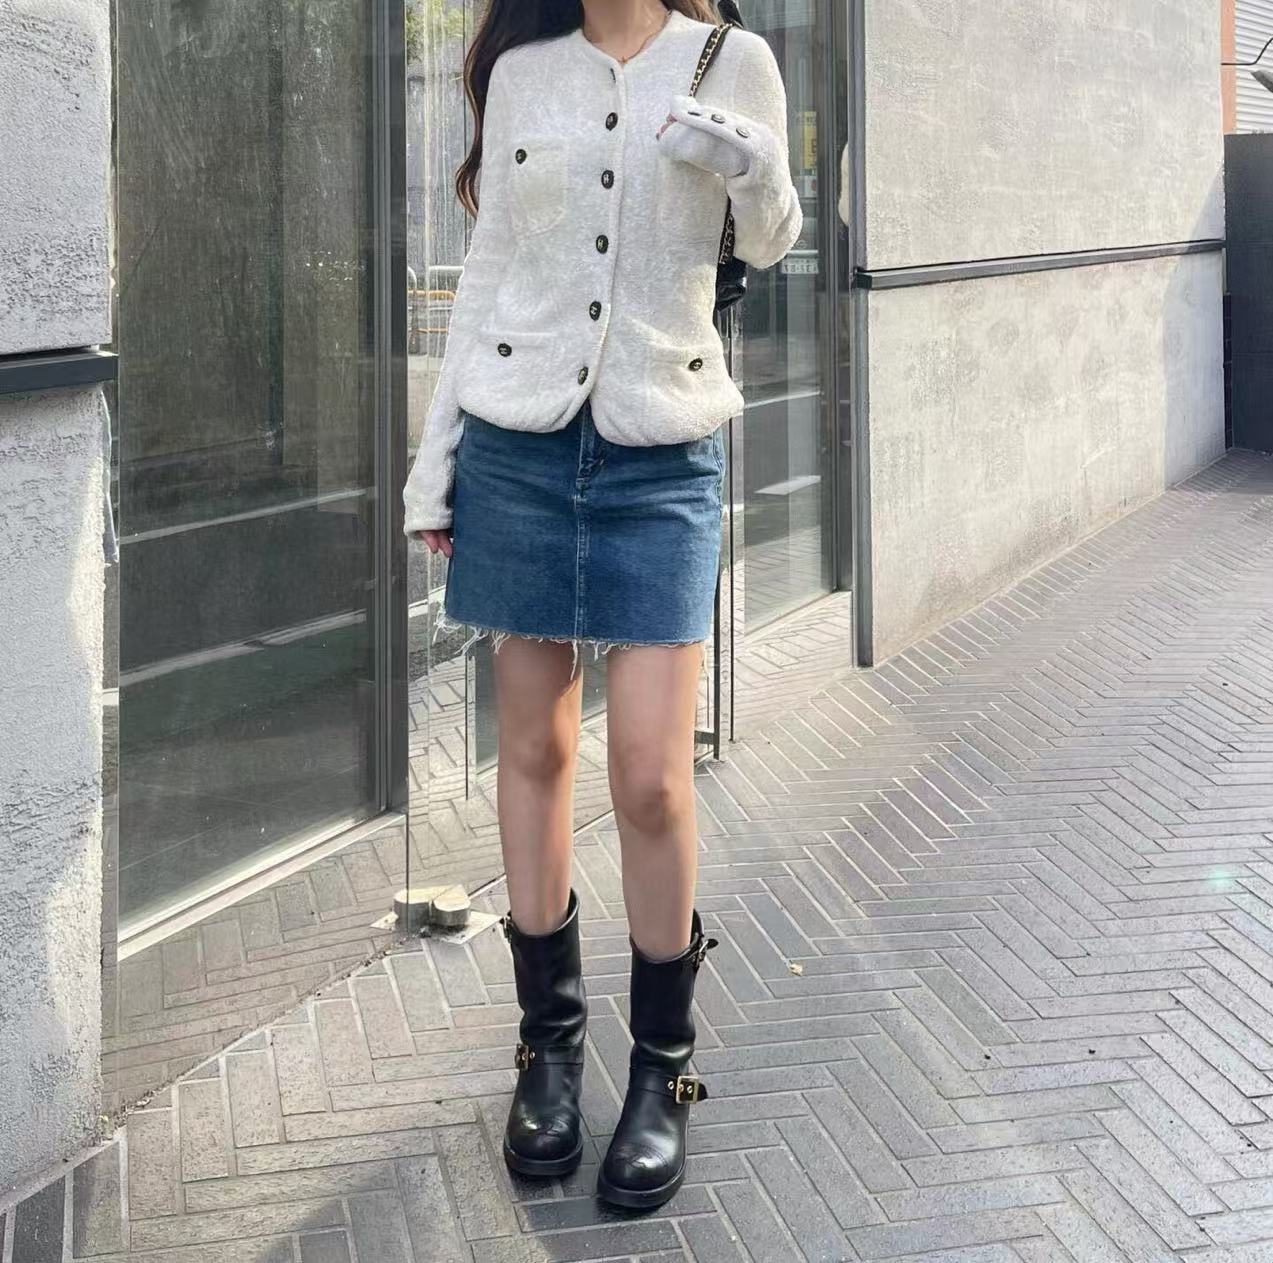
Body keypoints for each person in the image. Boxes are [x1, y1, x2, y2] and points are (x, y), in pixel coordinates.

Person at [403, 0, 800, 1211]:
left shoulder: (735, 61)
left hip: (660, 454)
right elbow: (490, 273)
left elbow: (773, 240)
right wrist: (436, 461)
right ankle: (548, 1049)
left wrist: (753, 164)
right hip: (517, 447)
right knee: (530, 750)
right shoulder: (524, 71)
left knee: (650, 778)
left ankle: (664, 1066)